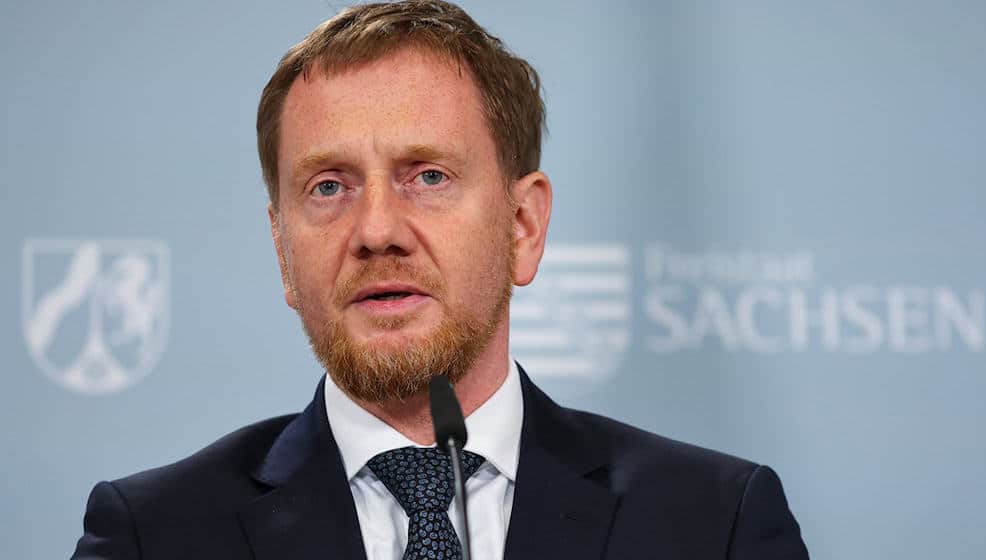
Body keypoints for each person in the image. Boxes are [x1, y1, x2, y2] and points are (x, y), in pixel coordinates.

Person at [72, 1, 809, 558]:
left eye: (428, 176)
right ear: (281, 250)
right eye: (329, 187)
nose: (376, 230)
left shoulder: (713, 523)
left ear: (523, 225)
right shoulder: (155, 534)